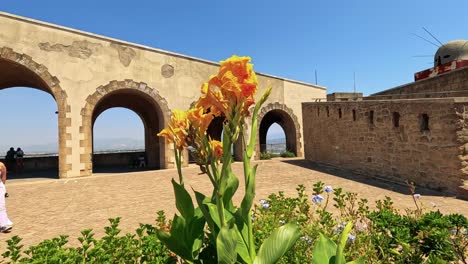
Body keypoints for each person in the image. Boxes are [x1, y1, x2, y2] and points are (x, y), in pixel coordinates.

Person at [0, 162, 13, 233]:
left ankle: (3, 225)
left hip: (0, 187)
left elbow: (3, 178)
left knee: (1, 206)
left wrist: (3, 189)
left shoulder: (1, 165)